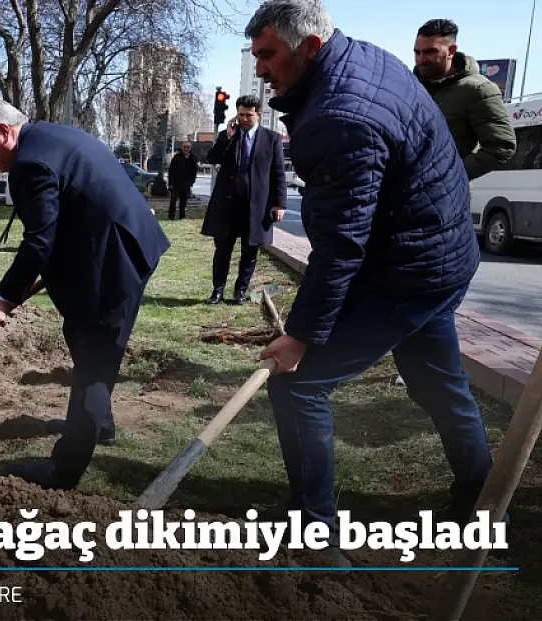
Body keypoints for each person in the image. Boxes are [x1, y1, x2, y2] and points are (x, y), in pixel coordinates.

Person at [245, 0, 497, 565]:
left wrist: (300, 336)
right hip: (443, 255)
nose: (260, 68)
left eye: (268, 55)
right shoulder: (364, 59)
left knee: (298, 385)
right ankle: (484, 504)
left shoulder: (339, 115)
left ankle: (316, 539)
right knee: (439, 383)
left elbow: (341, 245)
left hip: (410, 270)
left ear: (310, 47)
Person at [0, 98, 170, 490]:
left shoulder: (31, 164)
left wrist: (2, 298)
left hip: (116, 260)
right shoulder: (47, 136)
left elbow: (38, 241)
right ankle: (99, 423)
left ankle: (64, 470)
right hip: (113, 245)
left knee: (94, 357)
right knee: (79, 334)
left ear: (4, 132)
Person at [201, 94, 287, 306]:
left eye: (249, 115)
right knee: (223, 250)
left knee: (250, 251)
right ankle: (217, 291)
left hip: (256, 206)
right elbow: (212, 158)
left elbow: (278, 173)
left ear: (258, 114)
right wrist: (227, 136)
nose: (244, 119)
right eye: (241, 115)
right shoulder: (229, 136)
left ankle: (240, 291)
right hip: (228, 205)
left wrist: (279, 203)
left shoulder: (272, 139)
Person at [414, 19, 516, 181]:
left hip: (443, 193)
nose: (421, 59)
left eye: (430, 52)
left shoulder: (478, 89)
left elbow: (501, 146)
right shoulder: (410, 86)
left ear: (451, 51)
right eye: (417, 52)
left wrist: (449, 178)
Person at [166, 142, 199, 220]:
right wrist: (170, 183)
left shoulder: (193, 158)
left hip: (186, 183)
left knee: (183, 201)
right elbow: (171, 171)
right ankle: (171, 216)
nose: (186, 149)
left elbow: (195, 171)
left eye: (188, 147)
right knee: (173, 200)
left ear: (190, 148)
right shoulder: (177, 157)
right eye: (184, 147)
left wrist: (192, 182)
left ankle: (182, 216)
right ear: (182, 148)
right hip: (176, 183)